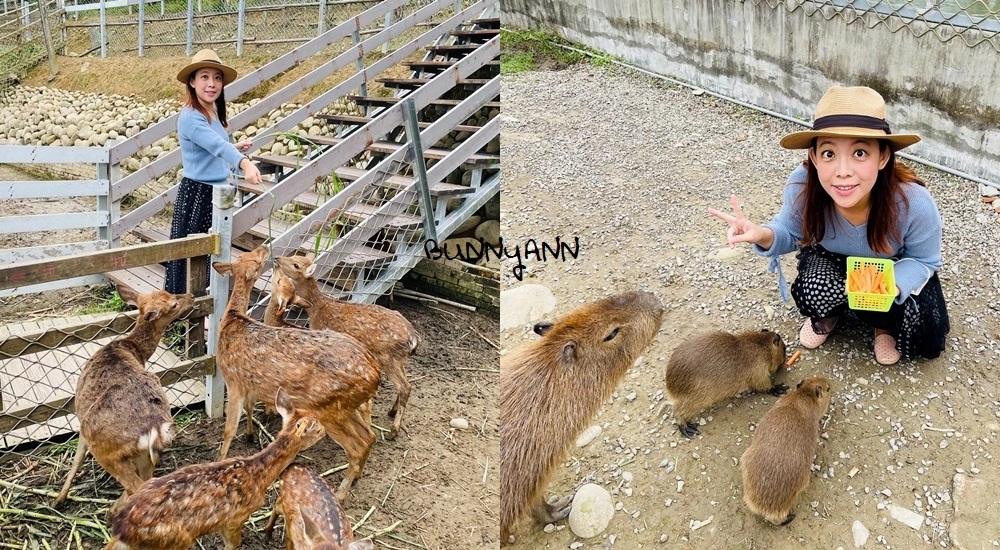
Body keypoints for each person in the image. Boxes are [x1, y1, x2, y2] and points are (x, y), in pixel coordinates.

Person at [709, 85, 949, 366]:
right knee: (813, 290)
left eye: (860, 153)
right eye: (829, 154)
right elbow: (789, 230)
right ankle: (829, 313)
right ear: (813, 156)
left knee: (920, 327)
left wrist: (886, 286)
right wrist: (761, 234)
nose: (843, 171)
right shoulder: (803, 183)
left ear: (883, 156)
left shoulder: (913, 202)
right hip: (832, 260)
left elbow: (924, 260)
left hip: (889, 266)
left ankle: (882, 325)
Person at [164, 49, 262, 294]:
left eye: (217, 78)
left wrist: (235, 148)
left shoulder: (212, 111)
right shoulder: (190, 116)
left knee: (214, 257)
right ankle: (186, 316)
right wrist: (245, 163)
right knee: (192, 260)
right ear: (192, 81)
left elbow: (212, 146)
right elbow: (217, 146)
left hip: (217, 192)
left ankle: (210, 310)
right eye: (205, 77)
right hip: (198, 194)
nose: (212, 84)